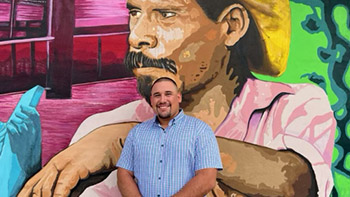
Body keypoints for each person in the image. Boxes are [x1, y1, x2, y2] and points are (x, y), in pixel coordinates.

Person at [18, 0, 336, 196]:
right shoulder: (101, 127)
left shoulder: (292, 106)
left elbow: (296, 183)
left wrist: (125, 143)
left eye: (166, 14)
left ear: (231, 25)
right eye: (134, 12)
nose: (136, 36)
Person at [117, 77, 222, 196]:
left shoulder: (200, 130)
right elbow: (123, 173)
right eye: (157, 95)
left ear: (178, 97)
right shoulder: (137, 133)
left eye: (168, 94)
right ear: (151, 100)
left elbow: (207, 178)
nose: (162, 100)